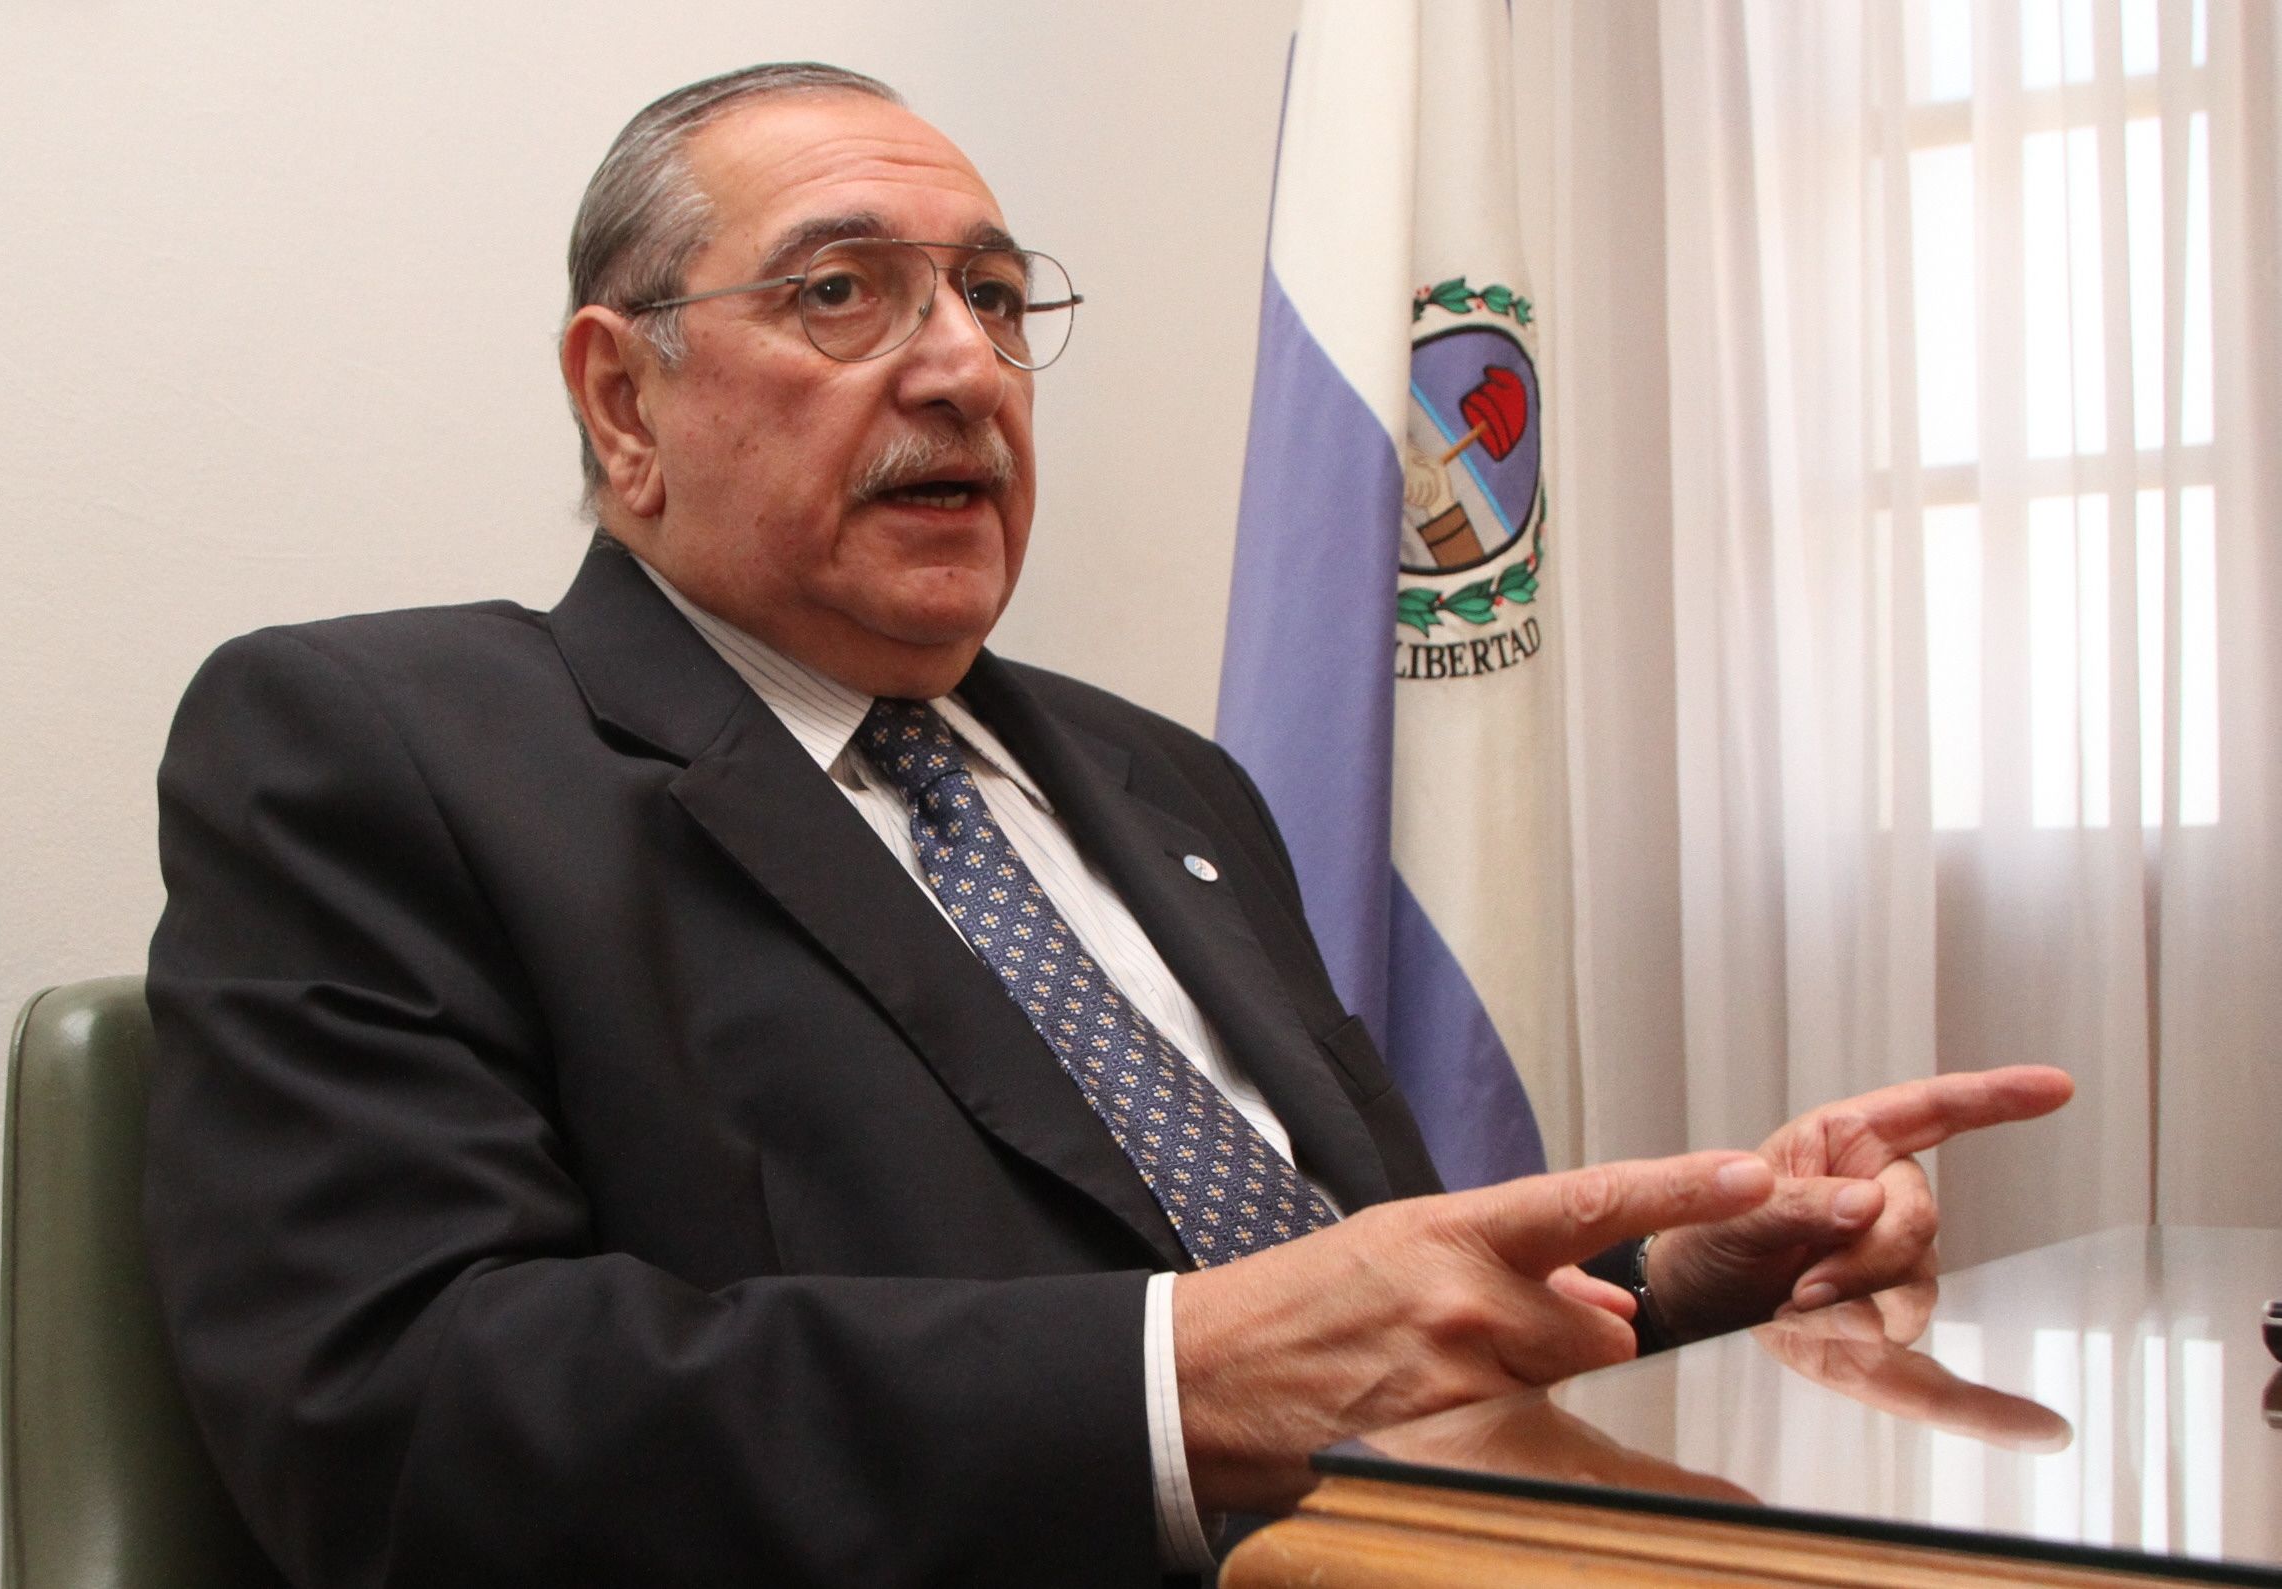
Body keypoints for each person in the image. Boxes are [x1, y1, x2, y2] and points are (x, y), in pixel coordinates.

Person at [142, 62, 2073, 1588]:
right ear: (620, 397)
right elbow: (393, 1416)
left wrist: (1681, 1281)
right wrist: (1172, 1380)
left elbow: (1357, 1293)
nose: (960, 364)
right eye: (841, 292)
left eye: (992, 298)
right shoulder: (384, 745)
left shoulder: (1169, 782)